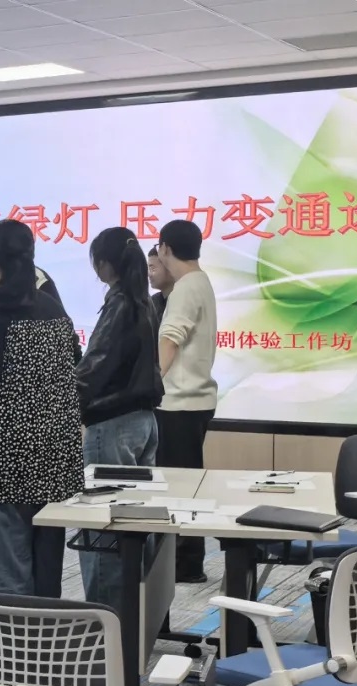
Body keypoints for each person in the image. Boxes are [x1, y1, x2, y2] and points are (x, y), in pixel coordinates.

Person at [0, 219, 83, 598]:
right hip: (53, 461)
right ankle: (41, 635)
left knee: (0, 579)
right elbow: (74, 367)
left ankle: (5, 636)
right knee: (44, 573)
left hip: (0, 466)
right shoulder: (53, 309)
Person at [75, 227, 164, 613]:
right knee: (134, 525)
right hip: (143, 423)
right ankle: (134, 619)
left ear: (104, 264)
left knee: (104, 529)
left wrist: (60, 403)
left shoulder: (119, 305)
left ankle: (105, 622)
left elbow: (94, 367)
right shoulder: (143, 302)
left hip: (112, 424)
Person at [156, 219, 218, 583]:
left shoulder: (185, 288)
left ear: (165, 248)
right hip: (195, 400)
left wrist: (153, 382)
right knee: (187, 483)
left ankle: (187, 563)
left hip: (179, 403)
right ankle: (188, 561)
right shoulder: (201, 281)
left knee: (179, 487)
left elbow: (170, 338)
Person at [148, 246, 175, 323]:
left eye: (153, 268)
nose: (149, 274)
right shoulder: (153, 302)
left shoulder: (184, 300)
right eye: (149, 269)